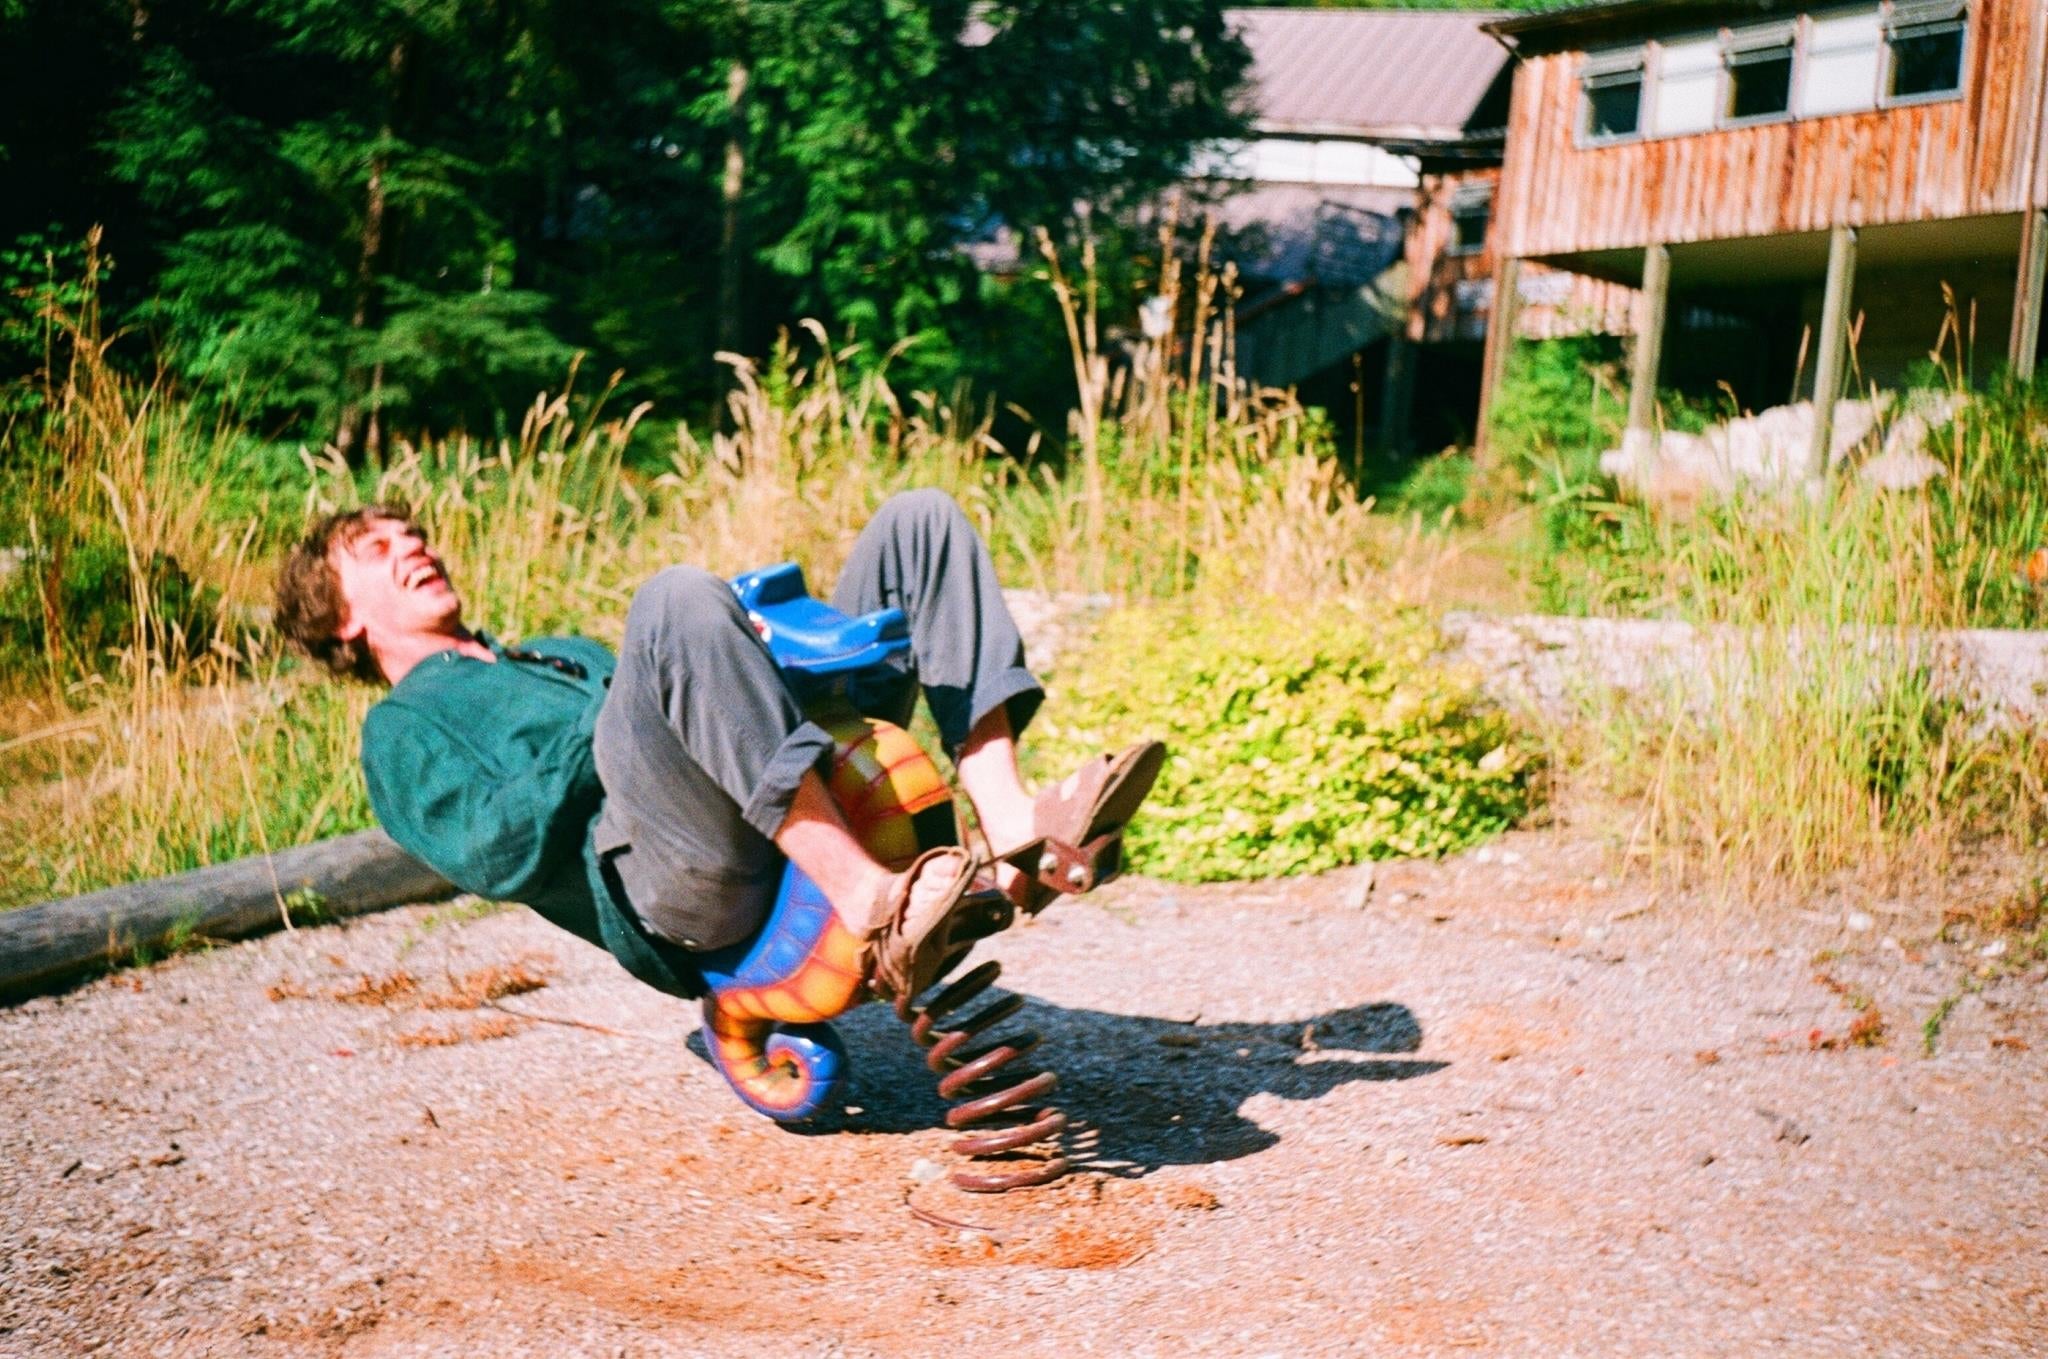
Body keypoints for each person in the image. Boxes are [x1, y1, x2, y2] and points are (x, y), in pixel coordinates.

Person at [273, 489, 1163, 1004]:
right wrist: (634, 699)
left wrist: (754, 657)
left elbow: (679, 697)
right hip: (670, 878)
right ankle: (870, 901)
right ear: (341, 616)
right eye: (378, 549)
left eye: (413, 534)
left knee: (918, 524)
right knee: (675, 599)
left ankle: (1011, 823)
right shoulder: (403, 728)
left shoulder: (556, 652)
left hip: (762, 788)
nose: (413, 546)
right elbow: (497, 848)